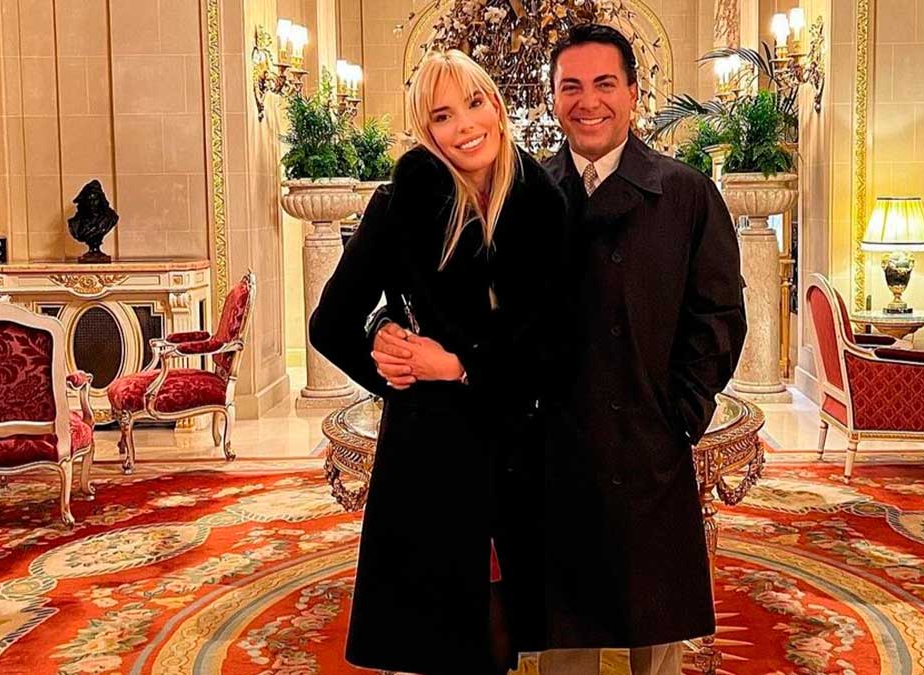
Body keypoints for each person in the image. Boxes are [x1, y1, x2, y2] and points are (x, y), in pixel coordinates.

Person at [375, 24, 746, 675]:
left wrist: (682, 413)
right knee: (562, 642)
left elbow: (717, 316)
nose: (588, 101)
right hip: (548, 454)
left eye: (605, 84)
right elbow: (438, 286)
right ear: (551, 98)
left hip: (649, 451)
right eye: (571, 86)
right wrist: (387, 324)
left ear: (633, 92)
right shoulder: (515, 191)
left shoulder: (686, 193)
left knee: (654, 633)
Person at [309, 49, 568, 675]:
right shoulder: (401, 205)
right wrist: (391, 358)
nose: (465, 126)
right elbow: (329, 325)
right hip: (431, 449)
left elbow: (553, 340)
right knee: (441, 632)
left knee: (507, 621)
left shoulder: (543, 204)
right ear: (427, 131)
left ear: (497, 106)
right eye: (443, 115)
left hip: (518, 439)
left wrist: (459, 367)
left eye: (474, 103)